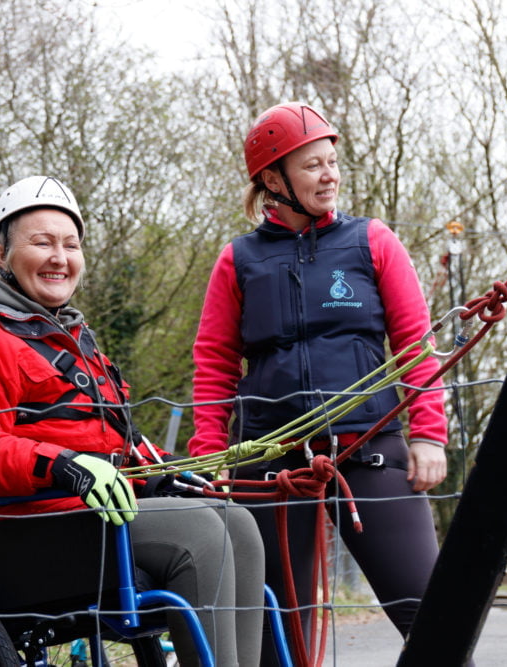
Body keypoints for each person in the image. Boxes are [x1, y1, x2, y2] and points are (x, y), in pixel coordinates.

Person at [0, 175, 264, 666]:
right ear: (0, 253)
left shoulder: (71, 342)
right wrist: (64, 464)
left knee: (238, 522)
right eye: (42, 243)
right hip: (13, 529)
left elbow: (120, 443)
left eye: (71, 245)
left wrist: (172, 474)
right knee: (202, 533)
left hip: (81, 522)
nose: (60, 257)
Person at [188, 103, 449, 664]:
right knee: (281, 640)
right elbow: (213, 363)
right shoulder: (238, 260)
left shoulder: (372, 241)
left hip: (369, 452)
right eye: (313, 165)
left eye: (332, 162)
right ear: (272, 179)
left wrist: (428, 433)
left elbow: (415, 345)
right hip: (273, 463)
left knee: (435, 617)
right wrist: (211, 458)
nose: (329, 175)